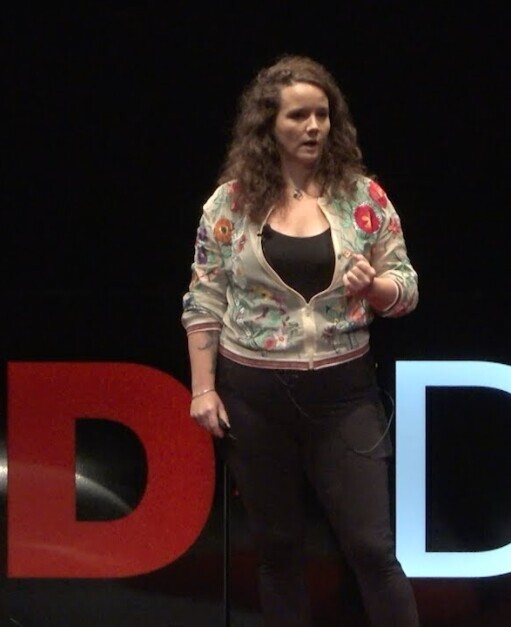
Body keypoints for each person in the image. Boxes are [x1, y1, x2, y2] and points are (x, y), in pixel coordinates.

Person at [181, 54, 420, 626]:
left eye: (322, 114)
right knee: (279, 551)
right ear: (269, 124)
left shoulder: (362, 198)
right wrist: (203, 389)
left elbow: (407, 288)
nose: (313, 127)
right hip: (254, 398)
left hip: (343, 396)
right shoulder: (230, 204)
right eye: (297, 116)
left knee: (372, 549)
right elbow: (204, 299)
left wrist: (376, 288)